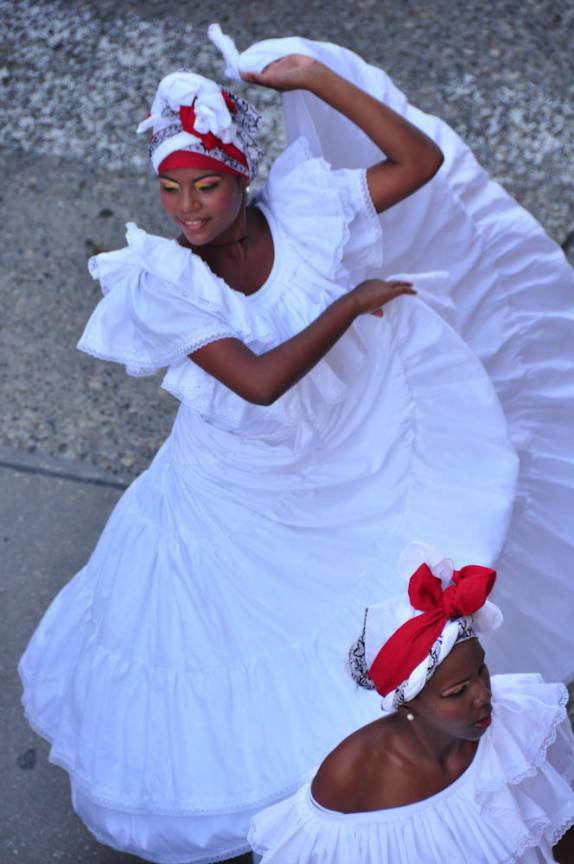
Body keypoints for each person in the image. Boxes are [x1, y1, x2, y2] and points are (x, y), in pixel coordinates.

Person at [19, 26, 574, 864]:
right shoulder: (165, 282)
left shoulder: (307, 212)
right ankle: (318, 792)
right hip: (245, 495)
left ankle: (416, 730)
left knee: (396, 590)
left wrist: (314, 80)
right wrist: (349, 307)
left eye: (206, 186)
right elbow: (258, 380)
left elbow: (418, 163)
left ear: (243, 179)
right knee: (243, 639)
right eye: (170, 190)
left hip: (351, 452)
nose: (188, 209)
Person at [249, 542, 574, 863]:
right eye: (458, 691)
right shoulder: (348, 779)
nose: (484, 695)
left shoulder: (517, 723)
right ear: (406, 703)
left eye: (481, 670)